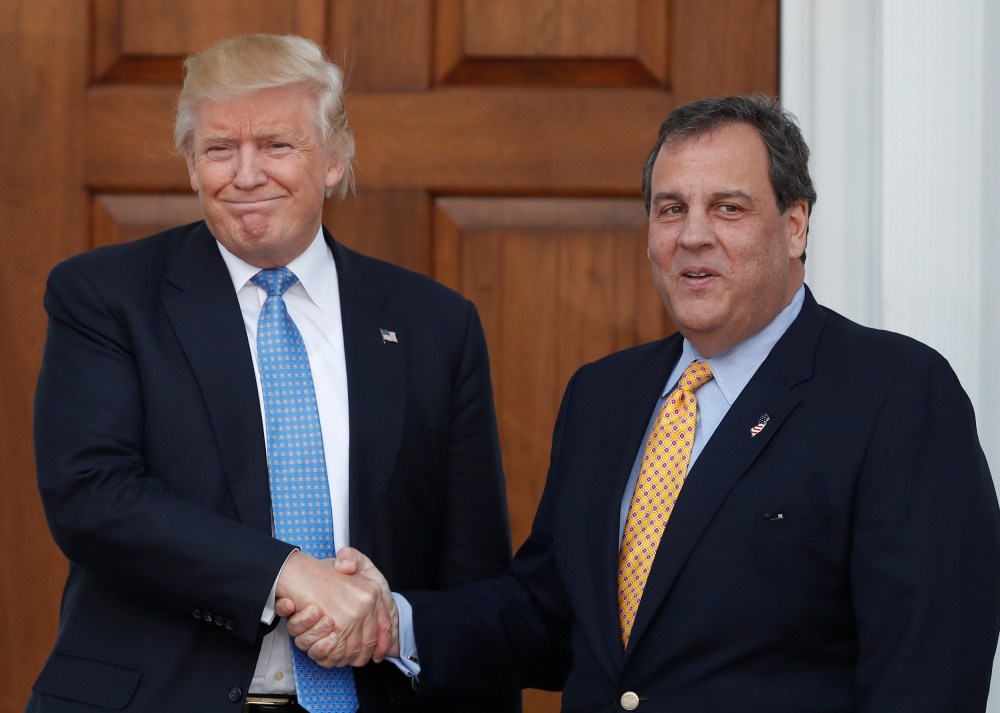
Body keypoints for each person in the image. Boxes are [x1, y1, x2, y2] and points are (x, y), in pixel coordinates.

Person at [287, 95, 1000, 712]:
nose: (693, 233)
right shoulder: (605, 394)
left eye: (728, 207)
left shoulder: (896, 392)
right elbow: (548, 617)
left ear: (794, 225)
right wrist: (394, 622)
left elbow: (926, 672)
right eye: (671, 209)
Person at [28, 34, 517, 713]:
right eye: (220, 148)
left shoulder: (436, 324)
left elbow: (474, 573)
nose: (246, 174)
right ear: (192, 164)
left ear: (335, 159)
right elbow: (92, 495)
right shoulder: (106, 297)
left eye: (277, 146)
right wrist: (289, 574)